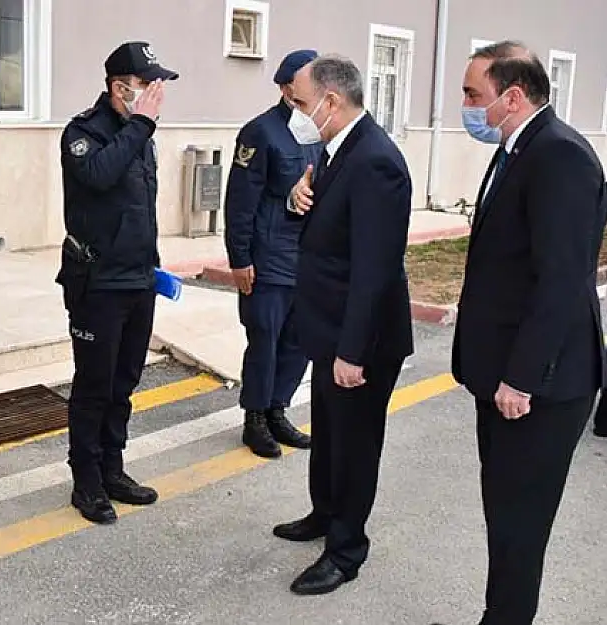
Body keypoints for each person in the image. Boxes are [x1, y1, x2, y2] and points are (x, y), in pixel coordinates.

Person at [452, 41, 606, 625]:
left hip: (539, 386)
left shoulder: (559, 155)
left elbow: (562, 281)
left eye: (474, 95)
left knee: (520, 521)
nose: (466, 106)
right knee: (505, 513)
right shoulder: (519, 148)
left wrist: (520, 378)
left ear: (512, 96)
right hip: (505, 378)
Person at [278, 55, 414, 595]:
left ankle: (346, 549)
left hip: (361, 338)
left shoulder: (375, 159)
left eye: (302, 101)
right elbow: (330, 229)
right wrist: (296, 199)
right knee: (330, 433)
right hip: (330, 329)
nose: (297, 111)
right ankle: (325, 513)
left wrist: (353, 351)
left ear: (331, 102)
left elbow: (374, 270)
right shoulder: (338, 150)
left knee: (355, 444)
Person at [55, 41, 177, 525]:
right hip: (98, 282)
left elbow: (140, 208)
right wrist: (141, 124)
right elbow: (101, 177)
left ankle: (113, 467)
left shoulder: (139, 135)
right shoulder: (82, 133)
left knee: (124, 383)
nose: (153, 93)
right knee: (94, 386)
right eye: (147, 83)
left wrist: (154, 267)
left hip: (137, 280)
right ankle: (86, 480)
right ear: (118, 86)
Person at [224, 49, 320, 459]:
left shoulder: (319, 131)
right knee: (264, 340)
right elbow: (240, 203)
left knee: (299, 342)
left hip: (307, 261)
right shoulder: (260, 132)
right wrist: (240, 258)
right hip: (268, 259)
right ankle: (255, 418)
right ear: (285, 88)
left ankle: (278, 409)